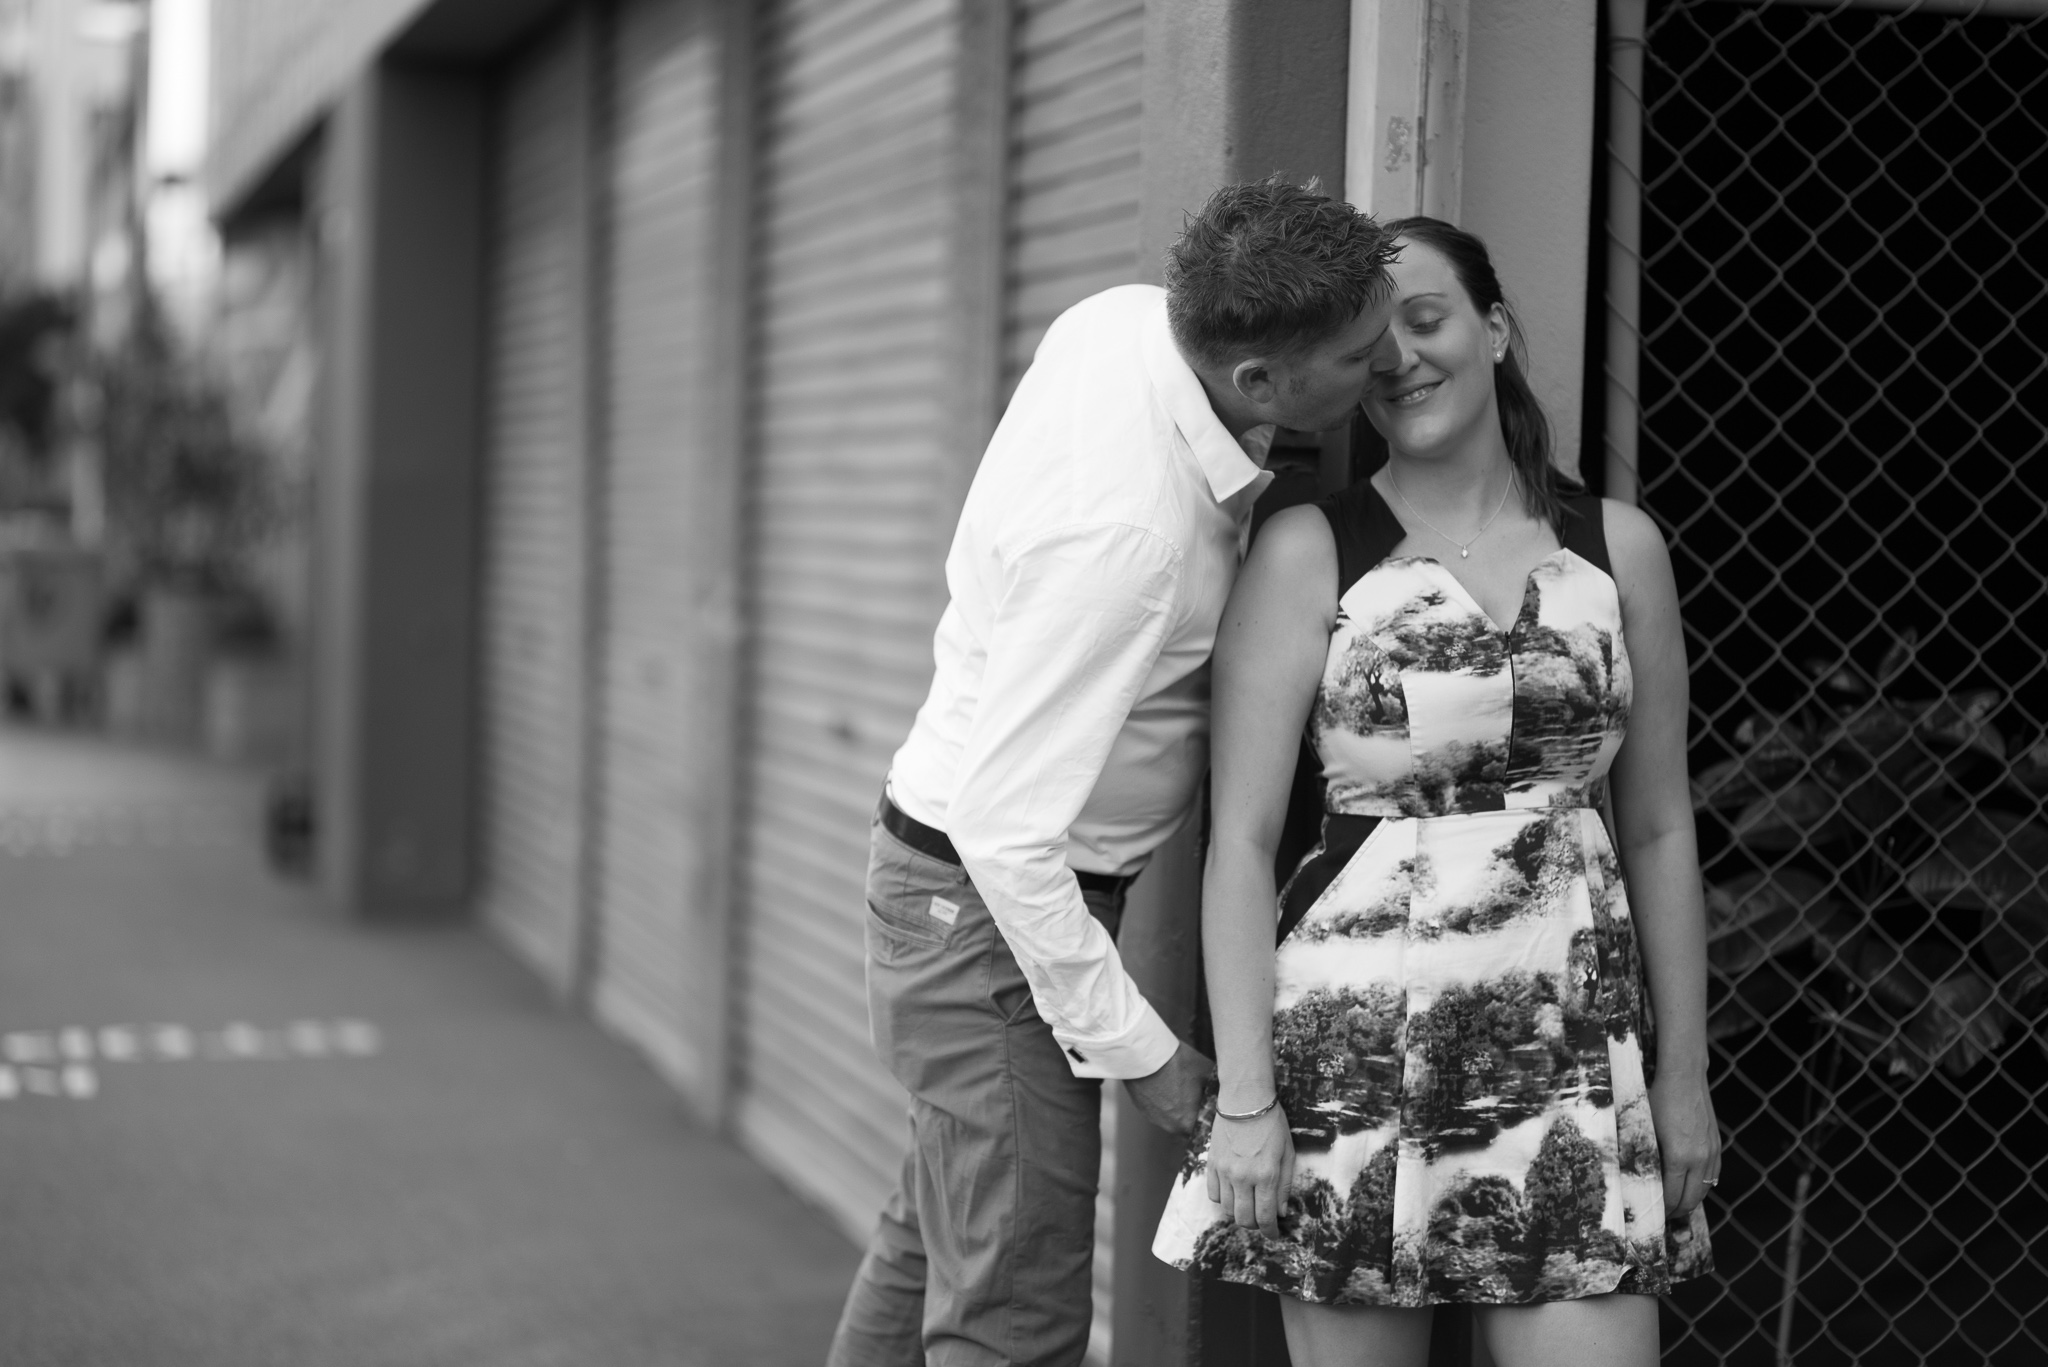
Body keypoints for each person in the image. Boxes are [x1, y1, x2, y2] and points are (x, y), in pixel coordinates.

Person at [826, 179, 1398, 1367]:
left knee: (936, 1241)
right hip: (988, 912)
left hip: (959, 887)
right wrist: (1140, 1049)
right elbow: (1003, 829)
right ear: (1256, 385)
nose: (1381, 361)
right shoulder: (1124, 541)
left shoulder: (1124, 318)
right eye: (1354, 354)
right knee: (1014, 1312)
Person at [1152, 217, 1718, 1367]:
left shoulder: (1618, 550)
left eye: (1428, 319)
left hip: (1571, 1054)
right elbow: (1243, 842)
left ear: (1494, 328)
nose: (1402, 358)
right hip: (1350, 1053)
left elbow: (1657, 825)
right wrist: (1251, 1099)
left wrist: (1683, 1070)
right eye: (1375, 344)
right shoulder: (1309, 547)